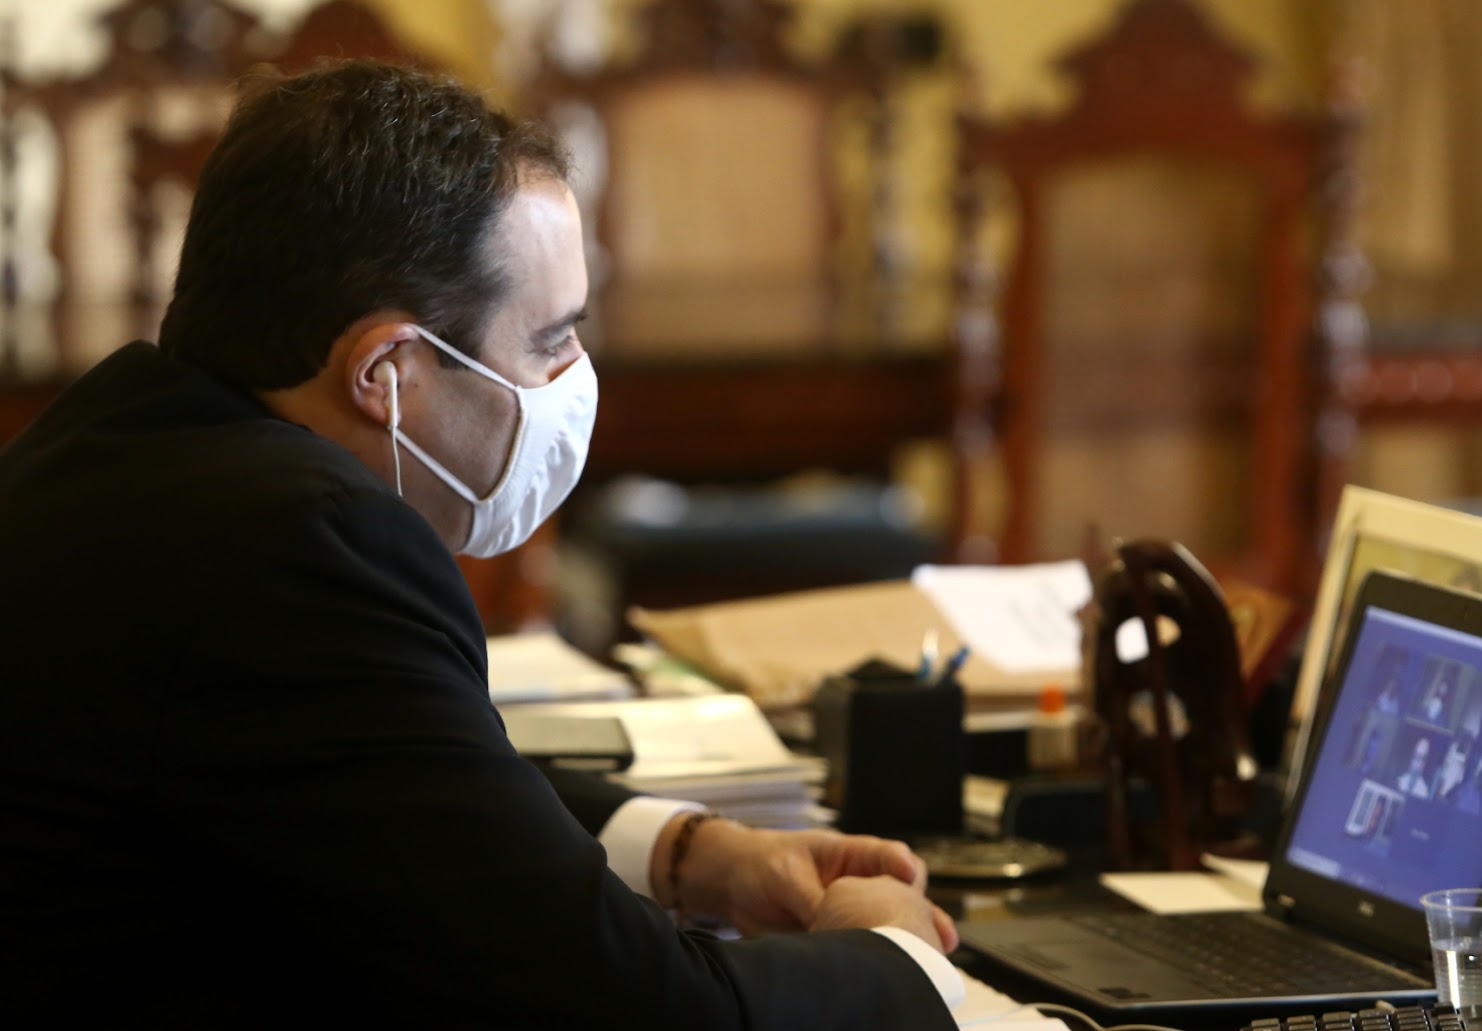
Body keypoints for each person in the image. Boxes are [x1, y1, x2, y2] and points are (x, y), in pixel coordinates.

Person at [0, 62, 961, 1027]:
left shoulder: (117, 438)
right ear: (387, 370)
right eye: (549, 340)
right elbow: (641, 1011)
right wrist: (893, 954)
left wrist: (690, 852)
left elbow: (399, 777)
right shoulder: (302, 548)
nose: (575, 378)